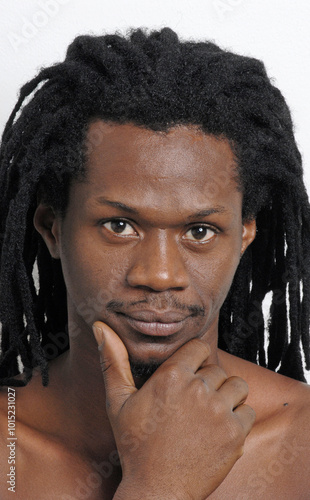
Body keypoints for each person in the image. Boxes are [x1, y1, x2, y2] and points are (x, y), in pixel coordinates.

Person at [0, 27, 309, 499]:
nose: (160, 275)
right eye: (119, 226)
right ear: (51, 226)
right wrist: (159, 487)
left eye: (199, 232)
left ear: (245, 235)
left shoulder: (301, 439)